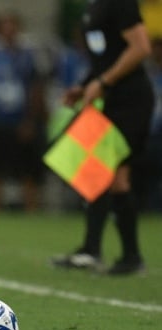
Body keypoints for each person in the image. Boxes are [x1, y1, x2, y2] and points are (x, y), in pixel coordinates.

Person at [51, 0, 154, 275]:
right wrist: (85, 85)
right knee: (113, 177)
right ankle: (128, 256)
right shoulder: (93, 6)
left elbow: (141, 47)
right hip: (112, 101)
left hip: (131, 101)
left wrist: (104, 83)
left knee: (101, 171)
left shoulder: (118, 3)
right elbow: (105, 58)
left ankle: (93, 251)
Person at [0, 11, 46, 212]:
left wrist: (31, 119)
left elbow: (36, 88)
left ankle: (31, 209)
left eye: (11, 26)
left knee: (27, 169)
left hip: (19, 120)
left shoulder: (27, 56)